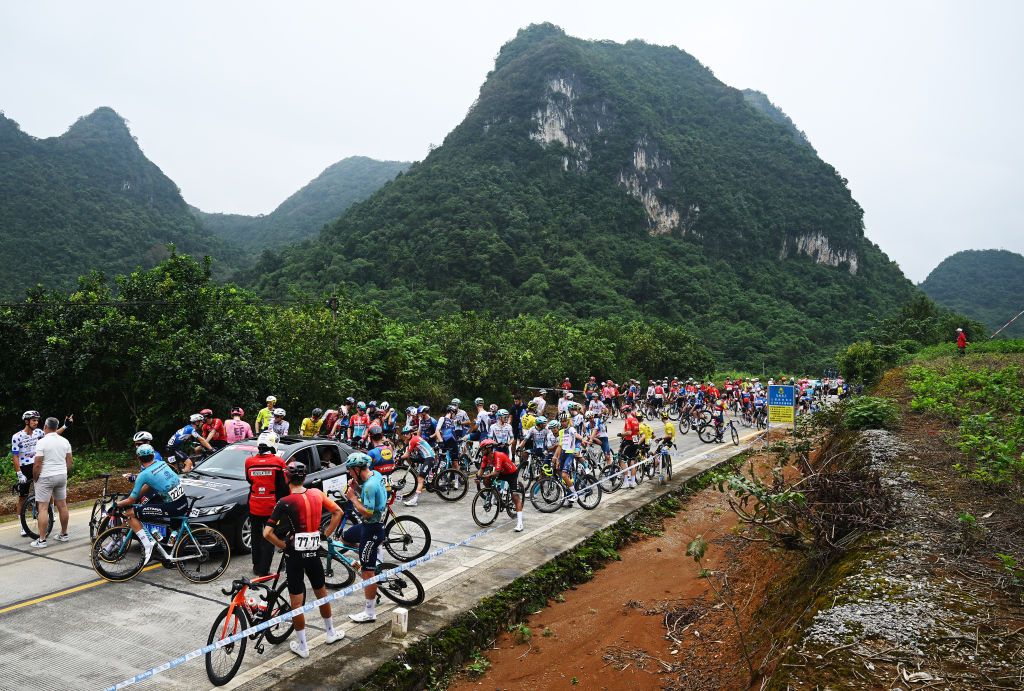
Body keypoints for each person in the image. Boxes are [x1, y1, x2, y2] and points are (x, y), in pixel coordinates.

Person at [264, 461, 345, 657]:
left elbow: (267, 533)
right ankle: (331, 632)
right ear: (305, 477)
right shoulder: (317, 494)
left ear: (287, 478)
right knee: (321, 593)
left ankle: (303, 646)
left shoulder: (285, 501)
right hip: (313, 551)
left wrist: (284, 545)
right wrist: (325, 534)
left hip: (295, 555)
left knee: (296, 603)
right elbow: (338, 512)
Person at [114, 444, 187, 563]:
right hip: (183, 502)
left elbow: (131, 500)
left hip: (173, 507)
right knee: (171, 529)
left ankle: (148, 546)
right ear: (153, 455)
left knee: (129, 514)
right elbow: (149, 485)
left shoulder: (143, 475)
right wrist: (138, 496)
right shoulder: (162, 464)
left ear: (138, 459)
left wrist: (117, 505)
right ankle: (171, 552)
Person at [341, 453, 389, 623]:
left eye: (350, 471)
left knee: (367, 572)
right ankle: (370, 554)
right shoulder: (375, 475)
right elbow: (373, 497)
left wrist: (353, 498)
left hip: (372, 528)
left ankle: (369, 613)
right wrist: (356, 486)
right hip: (370, 526)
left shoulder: (369, 486)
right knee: (345, 537)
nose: (349, 474)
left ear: (357, 469)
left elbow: (367, 513)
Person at [245, 432, 288, 576]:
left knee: (255, 537)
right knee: (269, 537)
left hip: (254, 504)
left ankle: (256, 567)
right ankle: (264, 571)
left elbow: (249, 480)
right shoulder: (278, 462)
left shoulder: (249, 462)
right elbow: (283, 486)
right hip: (272, 507)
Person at [29, 417, 73, 547]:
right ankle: (64, 534)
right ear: (56, 427)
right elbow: (70, 462)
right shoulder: (65, 441)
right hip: (61, 475)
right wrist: (64, 473)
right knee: (62, 505)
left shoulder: (42, 442)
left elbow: (37, 464)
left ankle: (42, 540)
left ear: (45, 427)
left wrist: (35, 478)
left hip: (46, 476)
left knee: (42, 508)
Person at [476, 439, 523, 532]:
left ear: (489, 449)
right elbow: (481, 469)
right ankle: (493, 493)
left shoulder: (498, 456)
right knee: (486, 479)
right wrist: (478, 477)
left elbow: (496, 473)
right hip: (502, 473)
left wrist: (485, 476)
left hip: (511, 473)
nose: (481, 451)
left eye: (483, 449)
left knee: (515, 497)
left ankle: (520, 523)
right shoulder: (485, 457)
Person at [12, 411, 44, 537]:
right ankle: (22, 525)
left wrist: (65, 426)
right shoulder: (17, 436)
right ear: (27, 421)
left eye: (37, 420)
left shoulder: (39, 432)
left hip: (36, 465)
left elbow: (52, 435)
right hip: (24, 468)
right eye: (33, 420)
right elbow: (15, 457)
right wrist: (19, 473)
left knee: (43, 491)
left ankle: (50, 513)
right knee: (22, 497)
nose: (36, 422)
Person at [400, 425, 436, 507]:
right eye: (404, 434)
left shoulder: (413, 440)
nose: (405, 435)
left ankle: (415, 500)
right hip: (426, 456)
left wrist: (398, 457)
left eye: (407, 433)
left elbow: (406, 455)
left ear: (411, 433)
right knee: (414, 461)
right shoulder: (414, 438)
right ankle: (428, 475)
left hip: (429, 458)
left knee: (420, 479)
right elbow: (412, 449)